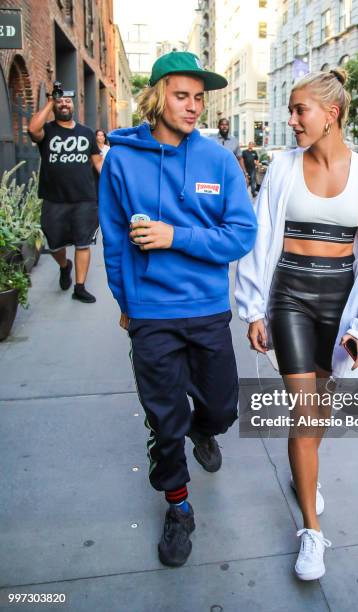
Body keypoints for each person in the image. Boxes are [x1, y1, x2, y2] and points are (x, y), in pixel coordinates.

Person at [235, 68, 358, 581]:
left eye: (299, 110)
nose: (291, 121)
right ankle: (311, 530)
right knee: (305, 416)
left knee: (317, 417)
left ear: (331, 114)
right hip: (290, 301)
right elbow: (261, 240)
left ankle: (305, 473)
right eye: (290, 110)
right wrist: (255, 308)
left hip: (339, 304)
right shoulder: (283, 168)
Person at [98, 51, 257, 568]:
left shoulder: (217, 160)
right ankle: (178, 506)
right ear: (157, 95)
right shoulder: (122, 160)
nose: (192, 107)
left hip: (207, 307)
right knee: (164, 422)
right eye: (181, 95)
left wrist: (175, 236)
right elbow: (115, 240)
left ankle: (204, 429)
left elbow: (242, 235)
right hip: (150, 311)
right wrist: (126, 302)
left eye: (199, 98)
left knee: (222, 408)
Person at [28, 90, 102, 303]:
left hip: (84, 199)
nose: (64, 104)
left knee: (83, 243)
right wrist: (49, 102)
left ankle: (80, 287)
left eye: (67, 101)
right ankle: (64, 265)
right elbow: (32, 128)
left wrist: (112, 183)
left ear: (73, 105)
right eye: (59, 102)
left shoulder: (87, 133)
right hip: (54, 199)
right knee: (54, 245)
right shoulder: (47, 131)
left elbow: (97, 162)